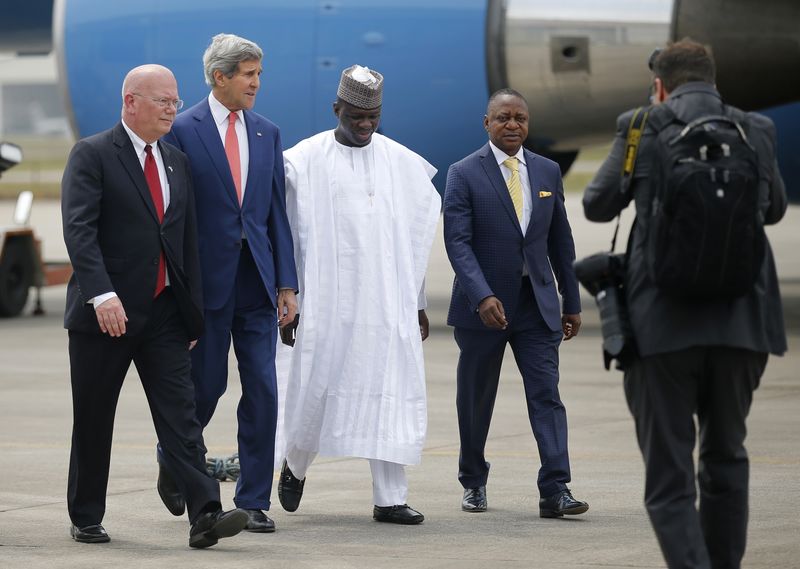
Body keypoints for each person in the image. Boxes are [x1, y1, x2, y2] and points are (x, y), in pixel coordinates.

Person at [583, 39, 787, 569]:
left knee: (670, 477)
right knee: (726, 461)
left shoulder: (640, 124)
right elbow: (776, 209)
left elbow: (598, 204)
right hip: (742, 328)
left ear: (660, 85)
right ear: (715, 80)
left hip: (661, 328)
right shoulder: (755, 129)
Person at [61, 64, 248, 548]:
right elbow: (79, 231)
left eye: (175, 101)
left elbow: (185, 243)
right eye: (163, 101)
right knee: (95, 415)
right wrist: (101, 294)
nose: (172, 109)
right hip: (107, 314)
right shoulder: (93, 155)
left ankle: (206, 513)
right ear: (131, 102)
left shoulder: (174, 161)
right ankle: (86, 514)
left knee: (181, 417)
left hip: (164, 313)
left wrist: (191, 312)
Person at [275, 64, 440, 525]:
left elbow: (413, 238)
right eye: (355, 117)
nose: (365, 125)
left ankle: (390, 497)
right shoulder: (302, 161)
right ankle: (295, 464)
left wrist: (419, 302)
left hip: (385, 304)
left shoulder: (401, 163)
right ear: (336, 109)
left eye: (373, 117)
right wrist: (288, 300)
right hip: (326, 303)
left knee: (389, 387)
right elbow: (283, 234)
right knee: (316, 387)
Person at [160, 34, 298, 533]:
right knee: (206, 386)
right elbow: (171, 216)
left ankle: (254, 499)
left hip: (256, 283)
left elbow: (274, 213)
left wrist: (287, 282)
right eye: (248, 74)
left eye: (258, 74)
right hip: (204, 283)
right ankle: (173, 456)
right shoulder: (181, 129)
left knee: (263, 387)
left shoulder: (267, 132)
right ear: (220, 77)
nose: (256, 83)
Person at [443, 88, 588, 518]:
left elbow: (561, 241)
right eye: (503, 118)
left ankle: (556, 489)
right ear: (486, 123)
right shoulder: (464, 172)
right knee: (475, 399)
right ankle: (473, 481)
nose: (512, 125)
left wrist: (572, 300)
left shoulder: (546, 171)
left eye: (520, 118)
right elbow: (458, 243)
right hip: (482, 309)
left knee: (546, 395)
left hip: (535, 306)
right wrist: (481, 295)